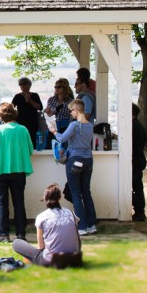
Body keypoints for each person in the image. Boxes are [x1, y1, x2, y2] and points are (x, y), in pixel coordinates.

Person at [0, 102, 34, 242]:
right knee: (19, 202)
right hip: (19, 170)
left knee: (2, 203)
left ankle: (4, 234)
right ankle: (21, 234)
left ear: (1, 116)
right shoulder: (23, 129)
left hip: (0, 171)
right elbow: (30, 149)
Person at [12, 184, 82, 268]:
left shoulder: (42, 217)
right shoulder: (71, 213)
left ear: (45, 199)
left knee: (16, 243)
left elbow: (40, 247)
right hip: (75, 259)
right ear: (60, 198)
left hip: (52, 260)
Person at [54, 100, 97, 235]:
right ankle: (91, 224)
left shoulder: (74, 125)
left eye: (71, 111)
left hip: (75, 159)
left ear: (77, 110)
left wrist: (54, 131)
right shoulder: (90, 125)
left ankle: (81, 226)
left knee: (76, 193)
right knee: (86, 192)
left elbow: (62, 138)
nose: (70, 113)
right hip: (88, 160)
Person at [11, 77, 43, 149]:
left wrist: (30, 100)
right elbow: (11, 107)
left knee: (32, 144)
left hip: (32, 124)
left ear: (29, 85)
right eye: (20, 84)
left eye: (24, 84)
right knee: (21, 144)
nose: (22, 86)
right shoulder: (17, 96)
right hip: (20, 124)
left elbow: (40, 107)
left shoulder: (35, 95)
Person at [131, 103, 147, 222]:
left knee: (127, 186)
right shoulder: (138, 125)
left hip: (135, 160)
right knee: (137, 186)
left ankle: (139, 209)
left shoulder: (133, 126)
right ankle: (140, 210)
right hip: (139, 159)